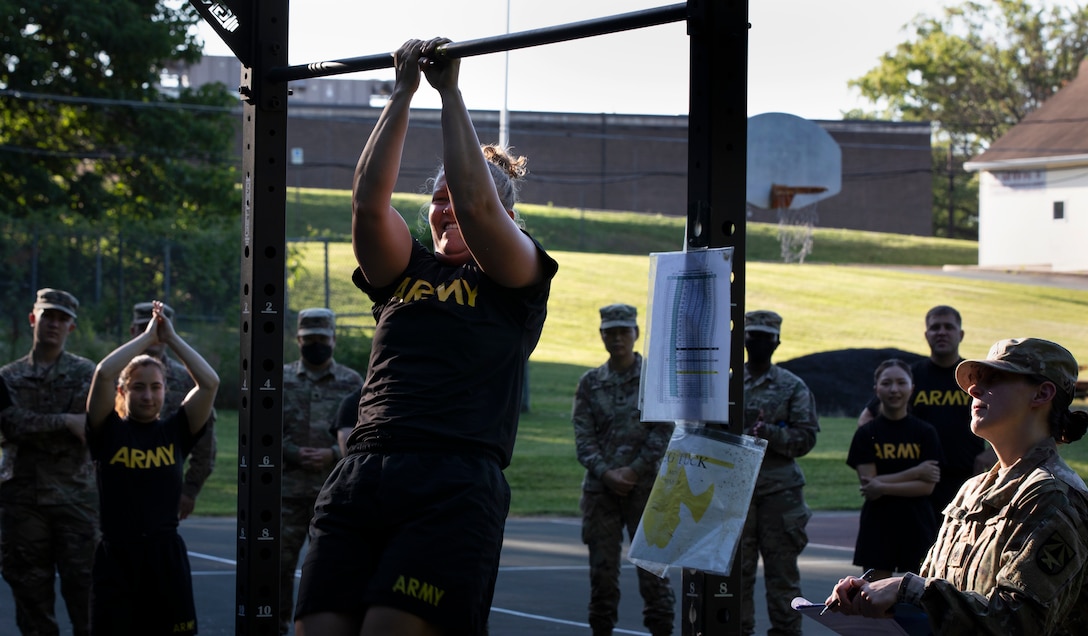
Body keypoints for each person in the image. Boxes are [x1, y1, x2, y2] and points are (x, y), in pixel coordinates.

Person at [293, 37, 558, 636]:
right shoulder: (403, 270)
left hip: (452, 482)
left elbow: (479, 207)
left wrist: (451, 92)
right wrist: (404, 91)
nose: (447, 209)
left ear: (509, 217)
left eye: (459, 198)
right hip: (362, 473)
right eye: (438, 200)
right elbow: (367, 202)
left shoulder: (515, 277)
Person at [826, 337, 1088, 634]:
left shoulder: (1053, 497)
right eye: (976, 380)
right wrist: (877, 596)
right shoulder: (973, 489)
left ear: (1042, 393)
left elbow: (1019, 623)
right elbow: (939, 596)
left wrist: (905, 588)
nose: (974, 389)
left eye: (994, 378)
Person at [85, 300, 218, 636]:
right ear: (122, 391)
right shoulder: (107, 430)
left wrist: (170, 338)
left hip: (165, 558)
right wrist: (147, 338)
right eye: (138, 387)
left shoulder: (176, 430)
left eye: (155, 387)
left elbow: (209, 383)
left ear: (165, 390)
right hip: (117, 558)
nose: (148, 395)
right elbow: (102, 373)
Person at [572, 303, 675, 636]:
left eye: (623, 331)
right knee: (602, 575)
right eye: (610, 332)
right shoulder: (590, 383)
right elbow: (583, 436)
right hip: (601, 493)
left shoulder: (654, 381)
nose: (617, 338)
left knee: (654, 574)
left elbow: (664, 430)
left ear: (636, 334)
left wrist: (634, 471)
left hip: (645, 491)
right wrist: (606, 473)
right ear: (602, 335)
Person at [0, 288, 98, 636]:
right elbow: (9, 423)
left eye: (62, 319)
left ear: (72, 327)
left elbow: (91, 425)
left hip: (77, 500)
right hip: (22, 502)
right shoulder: (7, 377)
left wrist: (31, 424)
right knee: (31, 601)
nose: (54, 324)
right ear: (33, 319)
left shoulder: (88, 375)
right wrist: (64, 423)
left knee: (87, 597)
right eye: (48, 317)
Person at [858, 305, 995, 517]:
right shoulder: (910, 377)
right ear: (926, 335)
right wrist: (883, 456)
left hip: (965, 478)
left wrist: (991, 454)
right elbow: (867, 419)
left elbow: (1010, 419)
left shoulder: (974, 377)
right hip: (917, 481)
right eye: (935, 328)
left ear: (960, 334)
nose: (941, 332)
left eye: (948, 327)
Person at [279, 308, 363, 635]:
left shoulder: (352, 382)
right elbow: (262, 429)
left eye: (322, 338)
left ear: (334, 340)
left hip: (333, 495)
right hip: (286, 490)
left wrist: (330, 454)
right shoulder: (280, 378)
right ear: (297, 340)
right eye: (309, 339)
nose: (316, 344)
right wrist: (295, 453)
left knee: (332, 572)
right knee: (277, 569)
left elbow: (362, 431)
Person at [738, 309, 820, 636]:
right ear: (742, 340)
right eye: (752, 337)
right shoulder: (726, 383)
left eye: (765, 339)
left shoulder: (791, 386)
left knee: (783, 581)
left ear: (777, 342)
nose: (758, 344)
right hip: (736, 495)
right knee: (735, 580)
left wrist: (769, 433)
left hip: (779, 495)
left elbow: (806, 437)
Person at [847, 359, 944, 581]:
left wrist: (882, 484)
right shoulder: (866, 434)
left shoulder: (925, 432)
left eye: (901, 383)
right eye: (886, 383)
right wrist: (916, 471)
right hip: (878, 525)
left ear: (912, 388)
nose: (894, 389)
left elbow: (927, 487)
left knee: (917, 600)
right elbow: (869, 487)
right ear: (876, 389)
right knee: (873, 600)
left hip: (917, 523)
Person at [130, 302, 217, 520]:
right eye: (145, 329)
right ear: (133, 331)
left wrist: (190, 489)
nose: (153, 336)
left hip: (165, 487)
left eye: (160, 329)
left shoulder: (188, 379)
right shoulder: (117, 377)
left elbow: (205, 442)